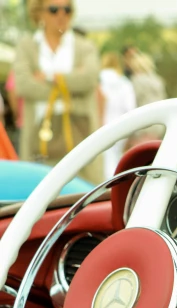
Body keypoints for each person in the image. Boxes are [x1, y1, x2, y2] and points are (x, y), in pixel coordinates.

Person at [12, 0, 100, 183]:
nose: (61, 14)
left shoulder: (85, 46)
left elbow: (89, 79)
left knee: (85, 194)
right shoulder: (27, 46)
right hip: (39, 138)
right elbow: (24, 85)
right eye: (54, 10)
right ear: (39, 13)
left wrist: (49, 78)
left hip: (79, 135)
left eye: (66, 9)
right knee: (38, 194)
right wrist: (71, 84)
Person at [99, 52, 136, 179]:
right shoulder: (124, 83)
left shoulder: (98, 81)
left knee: (104, 159)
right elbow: (130, 107)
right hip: (121, 124)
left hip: (101, 123)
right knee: (115, 158)